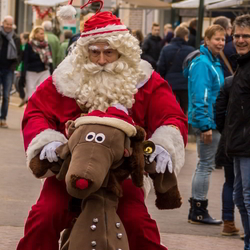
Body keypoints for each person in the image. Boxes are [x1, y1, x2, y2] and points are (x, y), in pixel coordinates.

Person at [17, 2, 188, 250]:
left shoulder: (145, 80)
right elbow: (36, 112)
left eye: (109, 53)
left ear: (122, 52)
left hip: (123, 173)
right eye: (94, 52)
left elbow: (172, 117)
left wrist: (163, 145)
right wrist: (47, 141)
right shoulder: (64, 80)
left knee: (137, 223)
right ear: (84, 53)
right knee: (44, 216)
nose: (101, 60)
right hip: (68, 169)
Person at [184, 24, 225, 225]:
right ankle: (198, 211)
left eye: (223, 39)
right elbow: (200, 96)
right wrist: (206, 125)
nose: (220, 43)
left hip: (211, 120)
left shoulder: (212, 61)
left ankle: (198, 210)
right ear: (206, 40)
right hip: (208, 122)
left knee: (204, 165)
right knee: (205, 165)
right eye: (216, 39)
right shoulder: (203, 63)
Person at [224, 14, 250, 250]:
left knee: (248, 200)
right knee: (240, 199)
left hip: (247, 145)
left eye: (246, 36)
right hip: (239, 145)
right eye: (237, 36)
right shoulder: (242, 64)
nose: (240, 40)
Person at [215, 76, 240, 236]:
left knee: (229, 182)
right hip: (241, 140)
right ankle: (247, 227)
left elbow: (218, 111)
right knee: (245, 186)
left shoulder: (229, 82)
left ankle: (228, 221)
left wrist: (226, 131)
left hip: (230, 139)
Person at [157, 25, 195, 115]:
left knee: (172, 110)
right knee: (186, 111)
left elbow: (161, 67)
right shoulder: (191, 50)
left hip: (170, 85)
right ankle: (185, 128)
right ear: (186, 36)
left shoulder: (166, 49)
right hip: (186, 85)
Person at [19, 26, 53, 99]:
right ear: (35, 34)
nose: (42, 35)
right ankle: (32, 109)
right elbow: (25, 60)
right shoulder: (29, 45)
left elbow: (50, 61)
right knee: (31, 94)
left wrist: (52, 73)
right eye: (41, 33)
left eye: (43, 33)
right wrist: (23, 74)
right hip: (31, 72)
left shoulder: (47, 45)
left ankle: (42, 109)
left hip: (44, 71)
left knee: (44, 92)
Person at [0, 15, 21, 128]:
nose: (8, 26)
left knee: (6, 96)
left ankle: (3, 118)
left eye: (10, 24)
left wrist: (14, 66)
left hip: (8, 70)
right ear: (3, 23)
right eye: (6, 23)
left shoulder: (16, 38)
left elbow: (19, 54)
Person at [16, 32, 29, 107]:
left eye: (22, 39)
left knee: (19, 83)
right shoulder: (22, 46)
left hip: (24, 69)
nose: (21, 40)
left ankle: (24, 98)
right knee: (19, 83)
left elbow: (22, 59)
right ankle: (24, 98)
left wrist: (20, 70)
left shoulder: (26, 47)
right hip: (22, 68)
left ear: (25, 39)